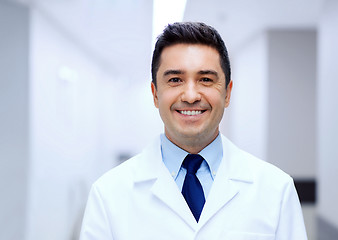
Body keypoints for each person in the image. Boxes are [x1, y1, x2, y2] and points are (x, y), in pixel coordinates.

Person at [80, 22, 307, 240]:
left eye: (206, 79)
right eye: (175, 79)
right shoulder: (108, 194)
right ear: (155, 94)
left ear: (227, 93)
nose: (190, 96)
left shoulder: (276, 189)